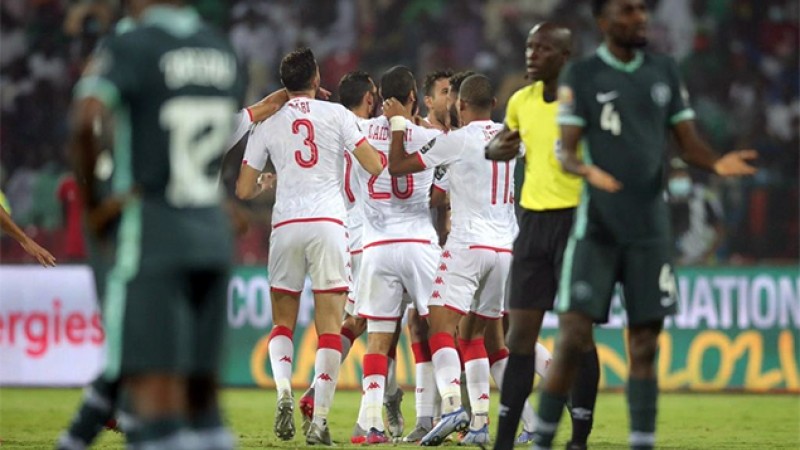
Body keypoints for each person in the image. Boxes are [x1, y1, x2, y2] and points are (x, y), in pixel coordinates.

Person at [520, 1, 757, 449]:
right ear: (604, 22)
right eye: (627, 11)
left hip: (650, 230)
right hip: (597, 229)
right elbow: (566, 151)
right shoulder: (582, 76)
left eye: (642, 10)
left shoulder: (664, 71)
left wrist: (716, 162)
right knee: (573, 338)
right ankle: (544, 440)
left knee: (645, 345)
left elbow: (687, 144)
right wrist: (585, 170)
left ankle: (641, 443)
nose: (639, 18)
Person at [66, 1, 248, 449]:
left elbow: (86, 118)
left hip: (154, 235)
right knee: (204, 404)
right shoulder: (223, 51)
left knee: (153, 395)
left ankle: (80, 434)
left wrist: (94, 205)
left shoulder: (133, 45)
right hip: (212, 239)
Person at [236, 47, 383, 445]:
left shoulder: (267, 122)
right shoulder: (337, 115)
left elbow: (244, 189)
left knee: (281, 322)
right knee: (330, 328)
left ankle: (284, 391)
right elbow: (373, 164)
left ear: (285, 84)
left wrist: (274, 177)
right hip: (329, 225)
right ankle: (318, 422)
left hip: (286, 225)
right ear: (317, 79)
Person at [386, 73, 524, 446]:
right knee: (477, 335)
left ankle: (451, 408)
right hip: (505, 249)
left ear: (460, 106)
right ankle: (481, 424)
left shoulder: (456, 141)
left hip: (468, 245)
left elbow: (397, 166)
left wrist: (399, 123)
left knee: (439, 326)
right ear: (493, 104)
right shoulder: (512, 137)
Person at [485, 23, 600, 450]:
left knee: (576, 335)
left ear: (565, 57)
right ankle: (503, 440)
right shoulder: (520, 101)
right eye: (530, 46)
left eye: (544, 48)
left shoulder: (585, 103)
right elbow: (502, 145)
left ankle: (580, 438)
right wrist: (495, 149)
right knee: (519, 338)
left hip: (576, 223)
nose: (532, 54)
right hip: (531, 224)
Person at [296, 70, 407, 443]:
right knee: (370, 325)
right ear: (371, 99)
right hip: (367, 235)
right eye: (374, 96)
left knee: (362, 322)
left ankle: (381, 401)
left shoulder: (328, 130)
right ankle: (357, 409)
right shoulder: (366, 131)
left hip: (339, 234)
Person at [345, 65, 443, 445]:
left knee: (378, 341)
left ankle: (369, 424)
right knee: (442, 331)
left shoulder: (360, 131)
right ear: (414, 97)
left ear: (378, 97)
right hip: (419, 242)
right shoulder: (427, 134)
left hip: (376, 246)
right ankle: (442, 411)